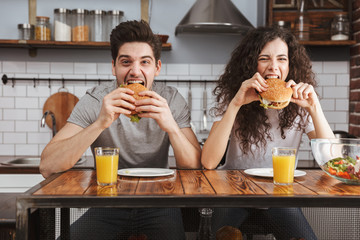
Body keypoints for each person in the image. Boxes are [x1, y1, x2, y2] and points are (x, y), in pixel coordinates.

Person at [40, 20, 201, 240]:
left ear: (157, 67)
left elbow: (194, 167)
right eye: (126, 62)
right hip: (107, 202)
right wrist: (100, 122)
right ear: (113, 66)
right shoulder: (97, 99)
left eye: (145, 62)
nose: (135, 71)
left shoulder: (171, 99)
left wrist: (171, 126)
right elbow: (48, 166)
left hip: (159, 203)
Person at [201, 25, 335, 240]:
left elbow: (332, 161)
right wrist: (235, 104)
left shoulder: (299, 102)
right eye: (264, 58)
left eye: (282, 59)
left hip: (281, 193)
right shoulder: (234, 96)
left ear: (290, 65)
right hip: (234, 192)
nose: (273, 67)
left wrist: (313, 107)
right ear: (251, 63)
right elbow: (208, 162)